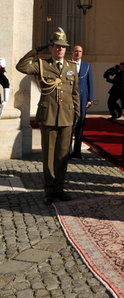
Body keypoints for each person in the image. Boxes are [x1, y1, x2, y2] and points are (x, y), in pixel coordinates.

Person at [16, 28, 80, 204]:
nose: (60, 50)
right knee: (49, 156)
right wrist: (37, 50)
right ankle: (49, 190)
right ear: (51, 47)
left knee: (62, 156)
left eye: (63, 47)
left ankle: (60, 188)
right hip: (49, 115)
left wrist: (77, 113)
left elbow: (75, 93)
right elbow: (21, 66)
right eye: (57, 46)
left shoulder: (71, 67)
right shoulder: (42, 65)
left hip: (66, 116)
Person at [69, 45, 93, 159]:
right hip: (70, 98)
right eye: (76, 51)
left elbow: (90, 83)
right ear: (72, 52)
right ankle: (67, 152)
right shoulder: (68, 64)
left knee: (80, 124)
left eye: (80, 51)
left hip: (83, 98)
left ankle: (77, 152)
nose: (78, 53)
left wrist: (90, 98)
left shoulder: (87, 66)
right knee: (69, 125)